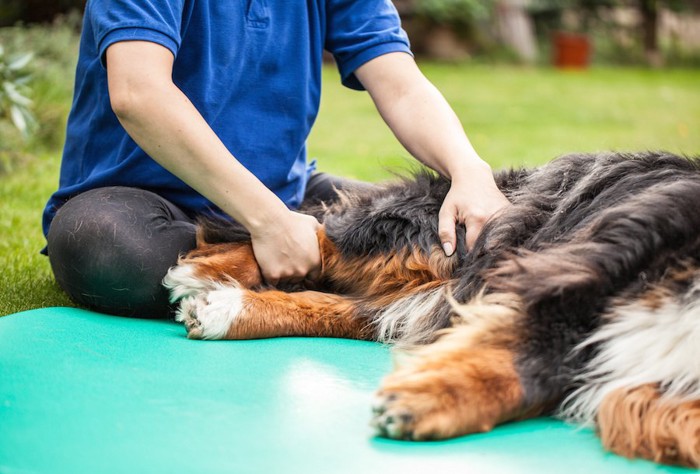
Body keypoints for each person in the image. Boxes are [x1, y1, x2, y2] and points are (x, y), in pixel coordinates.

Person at [42, 1, 511, 318]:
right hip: (140, 201)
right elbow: (139, 93)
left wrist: (466, 167)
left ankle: (285, 261)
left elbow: (401, 85)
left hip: (289, 198)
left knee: (429, 228)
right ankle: (319, 264)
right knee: (105, 249)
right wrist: (267, 224)